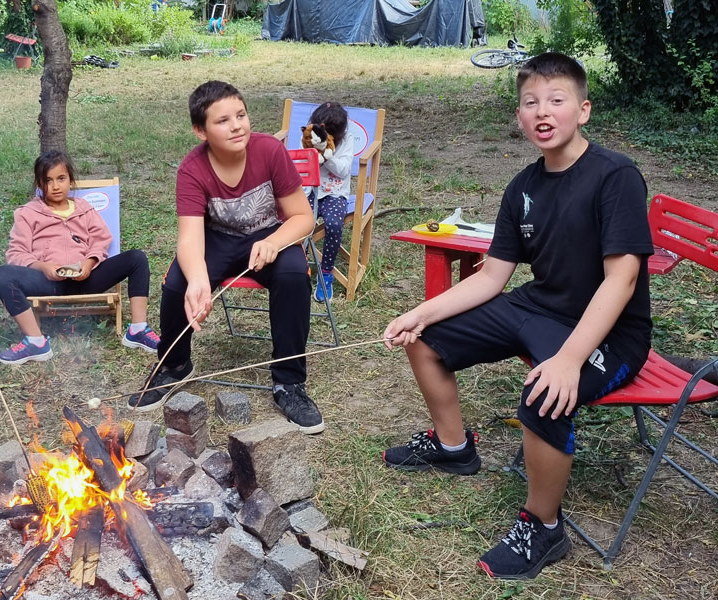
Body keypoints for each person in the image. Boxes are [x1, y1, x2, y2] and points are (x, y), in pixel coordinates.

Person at [381, 53, 653, 579]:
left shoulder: (614, 176)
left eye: (556, 100)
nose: (542, 112)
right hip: (539, 306)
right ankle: (453, 446)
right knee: (426, 337)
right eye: (530, 102)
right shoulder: (522, 188)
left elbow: (622, 280)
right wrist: (417, 312)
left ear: (584, 110)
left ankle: (543, 527)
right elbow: (489, 278)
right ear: (520, 115)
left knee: (545, 392)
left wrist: (570, 360)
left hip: (611, 333)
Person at [128, 80, 324, 434]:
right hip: (217, 239)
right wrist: (199, 281)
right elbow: (189, 238)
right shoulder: (192, 169)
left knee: (294, 276)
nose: (237, 125)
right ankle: (175, 364)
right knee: (178, 283)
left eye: (241, 115)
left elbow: (303, 217)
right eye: (223, 121)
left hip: (269, 234)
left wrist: (276, 241)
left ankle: (289, 383)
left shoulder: (269, 151)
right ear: (200, 131)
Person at [0, 150, 159, 363]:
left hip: (86, 278)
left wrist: (88, 263)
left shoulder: (84, 208)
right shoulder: (27, 213)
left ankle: (138, 330)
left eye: (61, 178)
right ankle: (35, 342)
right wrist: (43, 267)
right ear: (39, 184)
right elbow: (16, 253)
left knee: (137, 258)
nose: (55, 186)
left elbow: (101, 240)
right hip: (47, 282)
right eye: (48, 180)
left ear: (70, 179)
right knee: (2, 275)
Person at [303, 101, 355, 301]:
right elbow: (303, 164)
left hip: (335, 193)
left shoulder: (347, 140)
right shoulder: (308, 136)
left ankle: (326, 273)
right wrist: (311, 150)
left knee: (334, 225)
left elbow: (343, 171)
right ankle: (301, 267)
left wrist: (326, 155)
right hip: (309, 190)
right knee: (300, 224)